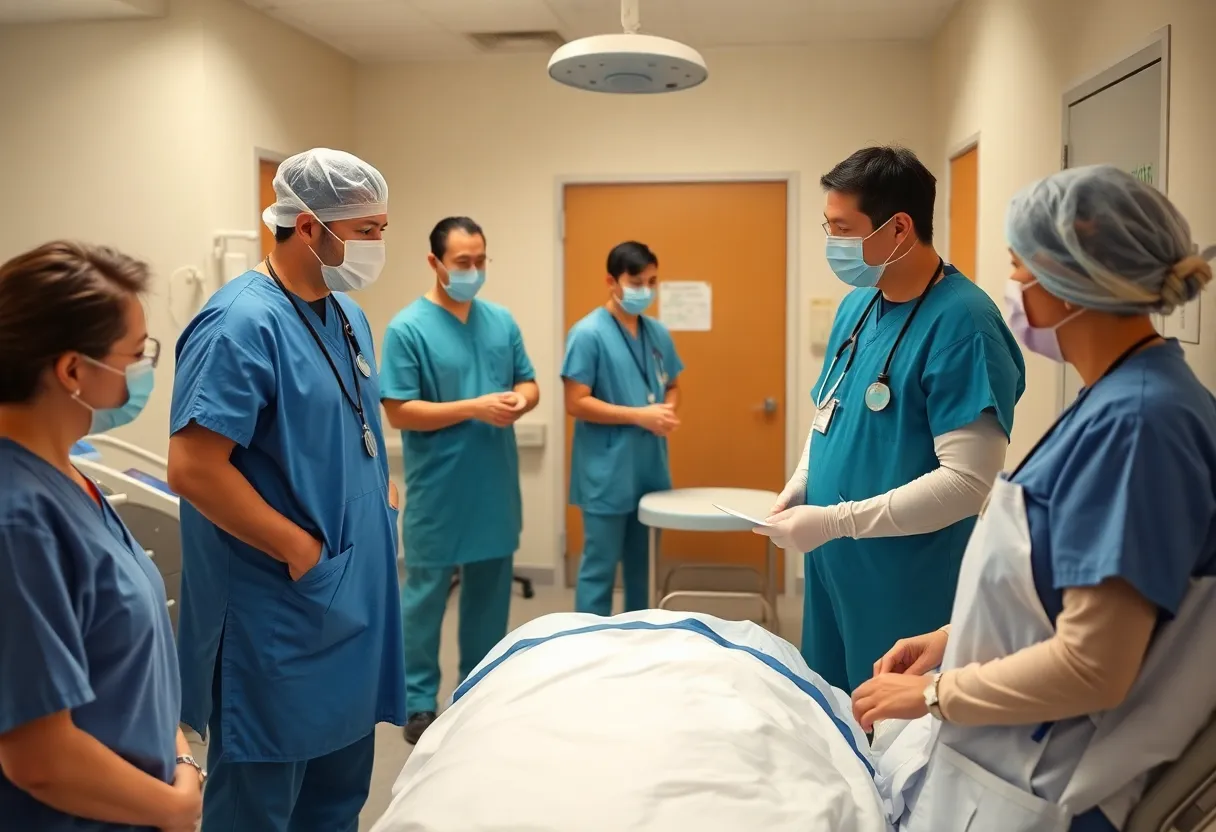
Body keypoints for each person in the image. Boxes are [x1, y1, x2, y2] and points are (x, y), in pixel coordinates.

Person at [853, 165, 1216, 832]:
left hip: (1051, 788)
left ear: (1071, 279)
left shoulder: (1141, 424)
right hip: (1011, 758)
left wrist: (934, 693)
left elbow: (1094, 666)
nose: (1012, 286)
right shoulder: (1120, 397)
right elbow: (1060, 585)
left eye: (1019, 267)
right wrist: (954, 640)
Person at [167, 148, 404, 830]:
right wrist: (299, 548)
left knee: (336, 800)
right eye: (366, 231)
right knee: (261, 806)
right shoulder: (241, 323)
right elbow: (193, 467)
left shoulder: (347, 314)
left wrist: (379, 494)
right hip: (278, 608)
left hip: (348, 595)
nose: (377, 245)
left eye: (381, 229)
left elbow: (347, 427)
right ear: (308, 227)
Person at [753, 147, 1026, 693]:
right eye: (828, 227)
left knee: (889, 728)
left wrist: (834, 521)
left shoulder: (965, 324)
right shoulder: (857, 307)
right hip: (835, 569)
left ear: (899, 228)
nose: (833, 243)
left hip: (905, 581)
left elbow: (967, 483)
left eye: (843, 229)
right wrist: (802, 483)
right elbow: (828, 409)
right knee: (830, 714)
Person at [0, 242, 203, 831]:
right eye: (137, 354)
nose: (145, 368)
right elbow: (39, 757)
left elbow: (129, 666)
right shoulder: (18, 520)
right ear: (72, 370)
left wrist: (179, 755)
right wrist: (176, 808)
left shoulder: (69, 474)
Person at [380, 216, 540, 745]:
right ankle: (418, 701)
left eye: (480, 261)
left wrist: (520, 400)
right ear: (435, 263)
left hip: (493, 483)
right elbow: (399, 411)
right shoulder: (408, 329)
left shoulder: (500, 321)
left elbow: (530, 382)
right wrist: (474, 407)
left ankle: (479, 688)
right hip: (440, 487)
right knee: (424, 597)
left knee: (489, 597)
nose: (473, 270)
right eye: (462, 262)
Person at [562, 241, 684, 616]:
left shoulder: (657, 333)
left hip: (648, 468)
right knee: (599, 568)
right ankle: (589, 641)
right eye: (636, 282)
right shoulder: (588, 334)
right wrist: (638, 415)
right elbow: (575, 402)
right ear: (611, 281)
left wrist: (666, 410)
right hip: (607, 471)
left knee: (643, 568)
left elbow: (673, 385)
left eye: (652, 282)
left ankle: (638, 637)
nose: (645, 290)